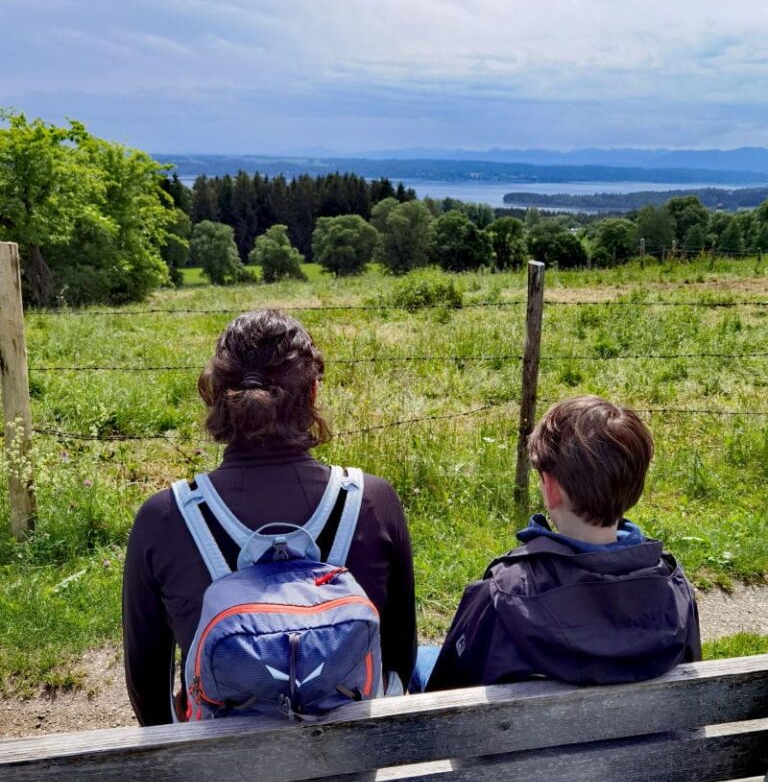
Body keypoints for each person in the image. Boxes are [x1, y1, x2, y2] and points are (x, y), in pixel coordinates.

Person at [123, 309, 416, 725]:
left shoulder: (164, 517)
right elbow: (399, 663)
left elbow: (147, 694)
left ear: (216, 396)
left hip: (222, 781)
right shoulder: (374, 501)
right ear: (313, 393)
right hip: (350, 774)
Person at [421, 395, 701, 692]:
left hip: (530, 739)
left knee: (420, 660)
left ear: (551, 489)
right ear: (634, 486)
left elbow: (447, 697)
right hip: (647, 736)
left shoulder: (503, 594)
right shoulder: (675, 589)